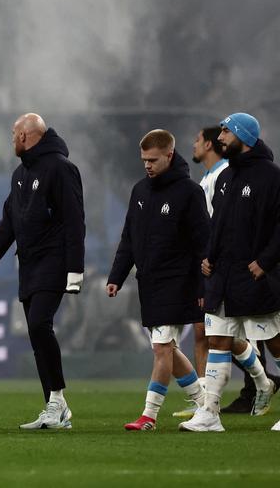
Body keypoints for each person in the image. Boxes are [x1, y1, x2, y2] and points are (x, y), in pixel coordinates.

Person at [0, 113, 85, 429]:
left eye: (14, 133)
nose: (12, 139)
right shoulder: (20, 174)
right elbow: (9, 221)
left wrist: (75, 269)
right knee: (36, 334)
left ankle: (57, 401)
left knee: (39, 324)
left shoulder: (62, 169)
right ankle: (56, 406)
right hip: (28, 264)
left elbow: (75, 220)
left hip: (54, 261)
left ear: (25, 136)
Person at [181, 113, 280, 432]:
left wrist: (265, 261)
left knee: (275, 342)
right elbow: (218, 225)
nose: (220, 137)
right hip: (223, 276)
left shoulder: (271, 176)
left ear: (244, 137)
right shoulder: (226, 177)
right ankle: (210, 412)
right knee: (218, 339)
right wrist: (208, 257)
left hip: (256, 276)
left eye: (226, 132)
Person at [106, 130, 207, 431]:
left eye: (153, 160)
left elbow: (204, 244)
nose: (147, 165)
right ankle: (204, 403)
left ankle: (149, 416)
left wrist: (203, 286)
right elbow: (129, 238)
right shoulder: (140, 190)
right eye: (144, 161)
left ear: (169, 155)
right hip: (148, 283)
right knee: (168, 349)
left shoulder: (190, 192)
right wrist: (116, 276)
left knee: (162, 348)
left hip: (178, 282)